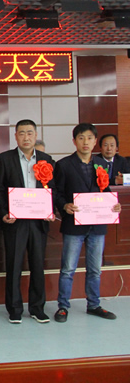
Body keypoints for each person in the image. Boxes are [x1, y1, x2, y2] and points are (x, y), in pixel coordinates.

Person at [53, 123, 121, 323]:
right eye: (81, 138)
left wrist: (113, 204)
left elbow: (105, 190)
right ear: (74, 141)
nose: (85, 142)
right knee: (68, 268)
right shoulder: (64, 165)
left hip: (97, 225)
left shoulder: (101, 164)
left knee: (95, 269)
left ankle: (94, 305)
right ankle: (63, 306)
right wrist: (64, 205)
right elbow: (56, 192)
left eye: (90, 138)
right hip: (74, 224)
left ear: (95, 141)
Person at [0, 119, 55, 324]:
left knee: (38, 265)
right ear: (16, 136)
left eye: (30, 133)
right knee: (14, 265)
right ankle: (14, 309)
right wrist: (3, 212)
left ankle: (37, 308)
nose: (26, 137)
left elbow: (53, 189)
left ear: (35, 135)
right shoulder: (5, 159)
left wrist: (51, 209)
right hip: (15, 221)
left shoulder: (46, 159)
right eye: (21, 133)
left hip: (38, 221)